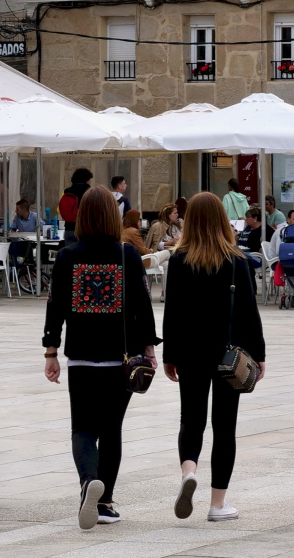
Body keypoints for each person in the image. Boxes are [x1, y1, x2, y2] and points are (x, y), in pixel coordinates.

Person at [43, 186, 159, 529]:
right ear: (113, 215)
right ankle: (105, 501)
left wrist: (51, 350)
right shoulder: (127, 254)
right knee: (111, 430)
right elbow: (142, 304)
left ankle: (87, 481)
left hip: (80, 357)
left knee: (82, 427)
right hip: (121, 359)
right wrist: (150, 348)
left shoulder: (67, 255)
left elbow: (55, 307)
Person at [162, 192, 265, 523]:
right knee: (225, 427)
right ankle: (217, 504)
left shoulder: (179, 261)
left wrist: (169, 354)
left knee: (190, 419)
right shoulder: (237, 260)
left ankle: (188, 472)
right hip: (228, 354)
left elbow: (172, 312)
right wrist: (259, 354)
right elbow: (250, 313)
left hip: (190, 352)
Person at [59, 169, 94, 237]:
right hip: (85, 229)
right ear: (87, 180)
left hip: (69, 228)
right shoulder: (90, 192)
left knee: (69, 247)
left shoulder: (66, 191)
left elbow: (59, 209)